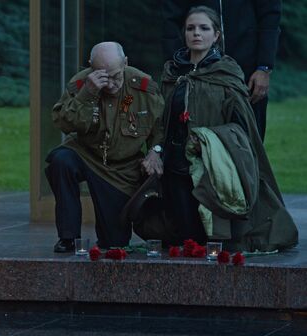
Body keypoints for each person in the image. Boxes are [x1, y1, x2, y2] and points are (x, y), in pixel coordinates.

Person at [160, 6, 297, 252]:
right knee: (182, 235)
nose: (196, 33)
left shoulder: (228, 74)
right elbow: (161, 122)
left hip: (219, 158)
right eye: (191, 29)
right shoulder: (172, 74)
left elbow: (269, 14)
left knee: (216, 235)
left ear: (216, 35)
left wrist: (264, 66)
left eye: (203, 28)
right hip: (178, 163)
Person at [46, 41, 165, 253]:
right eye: (104, 77)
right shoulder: (81, 84)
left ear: (126, 63)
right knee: (61, 161)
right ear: (91, 66)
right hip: (87, 154)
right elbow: (64, 123)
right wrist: (88, 94)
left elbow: (160, 128)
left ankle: (111, 233)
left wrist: (155, 152)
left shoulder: (143, 87)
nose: (111, 84)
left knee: (114, 243)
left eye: (116, 76)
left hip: (122, 169)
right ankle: (68, 237)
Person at [162, 0, 282, 142]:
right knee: (191, 140)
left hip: (247, 72)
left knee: (249, 140)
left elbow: (270, 15)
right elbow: (170, 19)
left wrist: (264, 67)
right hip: (196, 70)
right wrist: (179, 63)